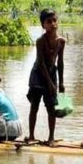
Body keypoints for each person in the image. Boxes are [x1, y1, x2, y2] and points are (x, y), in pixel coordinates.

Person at [27, 9, 66, 146]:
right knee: (34, 106)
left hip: (51, 72)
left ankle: (51, 137)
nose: (53, 24)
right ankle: (31, 135)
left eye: (54, 20)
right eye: (49, 22)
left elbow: (60, 62)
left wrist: (61, 82)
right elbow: (42, 63)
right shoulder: (40, 41)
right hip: (38, 74)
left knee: (51, 107)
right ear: (43, 25)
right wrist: (49, 83)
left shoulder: (61, 41)